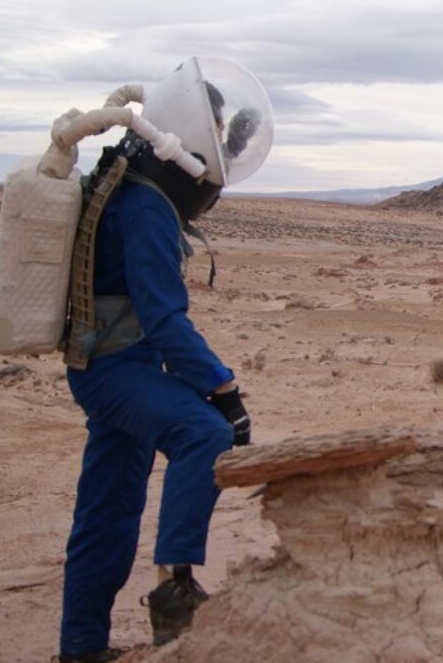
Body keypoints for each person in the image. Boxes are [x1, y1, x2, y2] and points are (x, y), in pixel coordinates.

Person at [57, 58, 274, 663]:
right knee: (203, 432)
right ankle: (173, 589)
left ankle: (81, 649)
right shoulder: (148, 207)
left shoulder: (128, 183)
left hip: (107, 363)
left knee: (108, 511)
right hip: (117, 370)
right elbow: (163, 318)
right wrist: (223, 392)